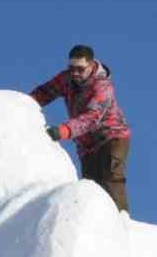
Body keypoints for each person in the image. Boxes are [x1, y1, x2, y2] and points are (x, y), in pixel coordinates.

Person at [30, 43, 132, 212]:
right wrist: (23, 104)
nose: (75, 73)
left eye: (80, 68)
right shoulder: (67, 79)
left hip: (112, 136)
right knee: (91, 187)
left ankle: (122, 221)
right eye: (71, 68)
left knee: (111, 177)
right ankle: (97, 223)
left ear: (91, 66)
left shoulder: (102, 86)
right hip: (87, 145)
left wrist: (64, 130)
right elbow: (45, 92)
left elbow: (92, 117)